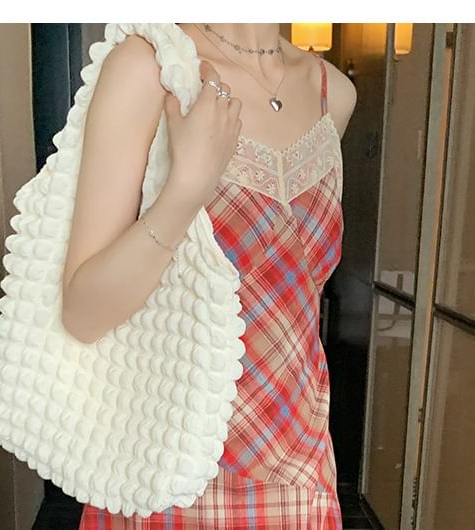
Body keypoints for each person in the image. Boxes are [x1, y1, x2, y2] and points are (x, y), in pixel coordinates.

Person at [66, 22, 357, 529]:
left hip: (301, 478)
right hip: (169, 477)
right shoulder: (151, 68)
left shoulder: (334, 92)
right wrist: (185, 191)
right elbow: (82, 313)